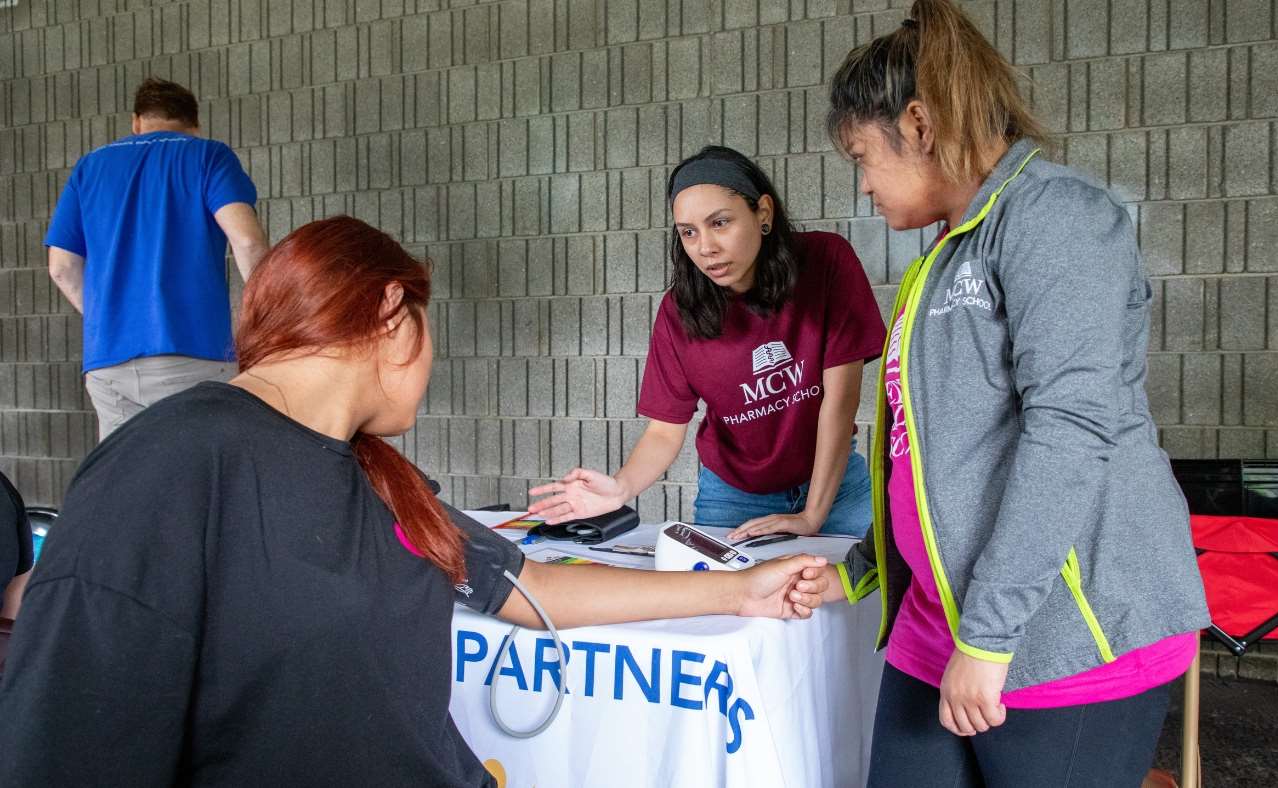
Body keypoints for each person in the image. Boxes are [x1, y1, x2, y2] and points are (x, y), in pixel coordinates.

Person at [0, 216, 830, 786]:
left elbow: (527, 588)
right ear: (396, 317)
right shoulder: (169, 462)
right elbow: (67, 742)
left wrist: (736, 589)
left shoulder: (377, 476)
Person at [818, 2, 1211, 785]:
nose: (863, 185)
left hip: (1056, 638)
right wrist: (858, 568)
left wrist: (990, 638)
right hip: (938, 633)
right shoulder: (941, 256)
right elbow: (932, 457)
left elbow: (1069, 432)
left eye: (863, 156)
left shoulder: (1059, 218)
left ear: (920, 124)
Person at [528, 146, 886, 540]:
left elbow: (840, 402)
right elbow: (665, 431)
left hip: (836, 488)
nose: (705, 247)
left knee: (867, 595)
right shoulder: (678, 312)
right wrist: (621, 487)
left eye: (720, 223)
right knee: (722, 600)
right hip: (733, 498)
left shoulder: (825, 260)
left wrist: (813, 514)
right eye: (688, 232)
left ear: (762, 213)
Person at [46, 77, 270, 440]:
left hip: (109, 365)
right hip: (193, 354)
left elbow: (60, 267)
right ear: (194, 125)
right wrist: (269, 318)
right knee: (198, 481)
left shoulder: (90, 167)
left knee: (128, 486)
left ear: (136, 122)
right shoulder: (207, 155)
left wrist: (111, 319)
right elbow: (247, 240)